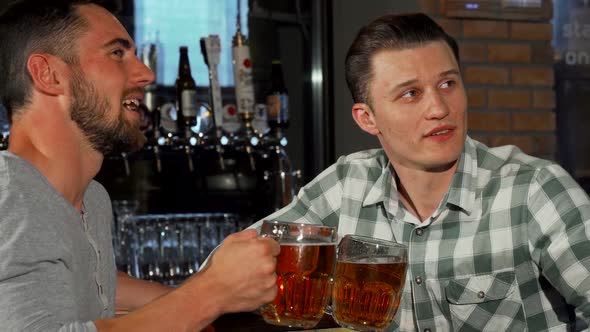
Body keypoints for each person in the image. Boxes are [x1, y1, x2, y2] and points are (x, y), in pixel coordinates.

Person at [249, 13, 590, 331]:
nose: (440, 108)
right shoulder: (345, 187)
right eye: (411, 94)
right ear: (367, 119)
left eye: (448, 84)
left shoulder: (534, 190)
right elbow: (231, 271)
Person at [0, 0, 280, 331]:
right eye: (117, 54)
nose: (145, 74)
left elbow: (87, 287)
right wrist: (211, 293)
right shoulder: (10, 195)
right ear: (49, 75)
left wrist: (200, 302)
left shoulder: (92, 199)